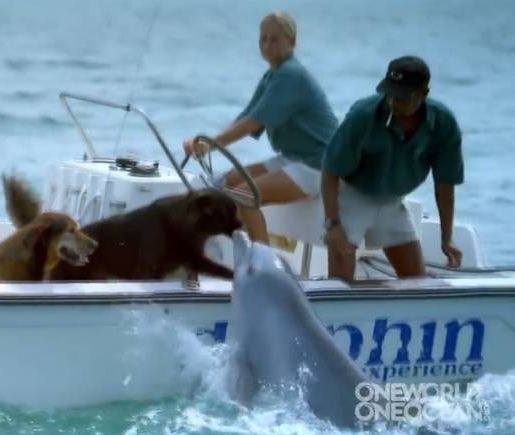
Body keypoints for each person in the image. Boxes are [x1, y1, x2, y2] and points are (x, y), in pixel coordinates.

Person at [183, 11, 338, 243]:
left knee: (244, 195)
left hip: (318, 165)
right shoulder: (272, 75)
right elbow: (246, 116)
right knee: (230, 181)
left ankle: (262, 259)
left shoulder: (290, 75)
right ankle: (240, 248)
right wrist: (208, 143)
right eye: (263, 39)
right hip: (294, 158)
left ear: (292, 42)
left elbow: (252, 123)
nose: (267, 45)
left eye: (274, 39)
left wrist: (209, 146)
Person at [322, 55, 464, 282]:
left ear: (424, 93)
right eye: (391, 93)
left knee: (417, 282)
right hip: (351, 196)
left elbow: (445, 185)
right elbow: (330, 171)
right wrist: (333, 224)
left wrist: (447, 238)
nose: (394, 101)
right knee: (340, 285)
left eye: (403, 96)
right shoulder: (363, 116)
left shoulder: (443, 123)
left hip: (392, 201)